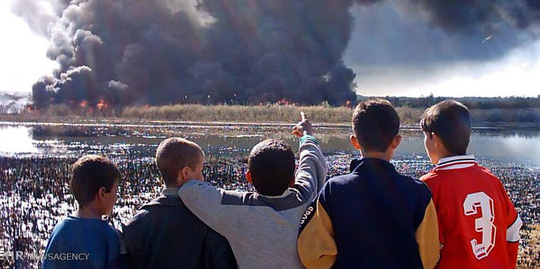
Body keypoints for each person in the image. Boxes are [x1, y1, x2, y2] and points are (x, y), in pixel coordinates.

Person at [298, 99, 439, 269]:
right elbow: (429, 257)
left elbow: (313, 255)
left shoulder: (333, 190)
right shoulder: (419, 194)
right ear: (396, 141)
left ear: (355, 141)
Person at [178, 113, 328, 269]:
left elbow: (190, 191)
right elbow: (311, 161)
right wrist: (306, 135)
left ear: (248, 177)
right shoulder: (305, 197)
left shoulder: (235, 208)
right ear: (293, 179)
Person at [419, 99, 522, 268]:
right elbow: (513, 227)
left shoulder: (429, 186)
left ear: (433, 137)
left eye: (425, 136)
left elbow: (425, 246)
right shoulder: (491, 180)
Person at [123, 137, 236, 269]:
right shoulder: (209, 221)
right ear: (186, 172)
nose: (203, 178)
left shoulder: (136, 224)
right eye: (200, 171)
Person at [42, 155, 126, 269]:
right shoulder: (110, 237)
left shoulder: (59, 231)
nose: (116, 198)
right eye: (115, 191)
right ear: (102, 193)